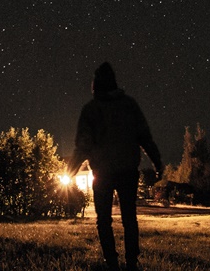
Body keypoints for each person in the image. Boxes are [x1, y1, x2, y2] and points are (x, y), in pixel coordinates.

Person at [67, 62, 163, 271]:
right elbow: (144, 137)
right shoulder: (129, 105)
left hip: (102, 173)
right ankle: (131, 263)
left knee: (104, 220)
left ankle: (112, 263)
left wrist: (70, 171)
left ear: (96, 84)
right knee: (129, 218)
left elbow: (83, 146)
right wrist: (157, 163)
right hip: (127, 170)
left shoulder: (91, 109)